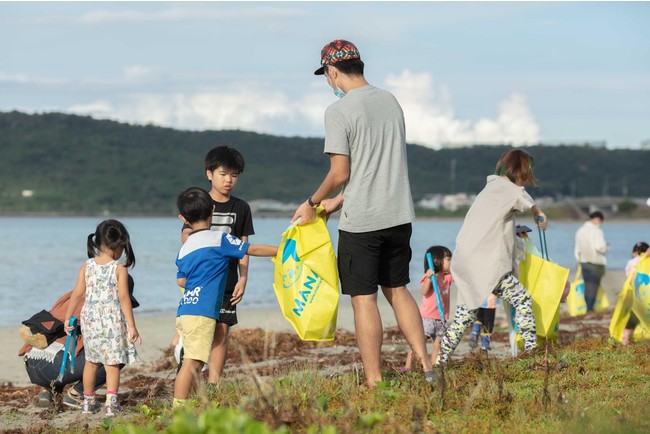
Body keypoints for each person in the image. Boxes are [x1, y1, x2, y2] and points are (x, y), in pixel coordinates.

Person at [290, 39, 433, 386]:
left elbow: (341, 173)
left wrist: (311, 203)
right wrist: (339, 201)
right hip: (399, 214)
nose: (328, 82)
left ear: (333, 71)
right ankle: (429, 368)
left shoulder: (338, 111)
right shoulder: (390, 101)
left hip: (363, 224)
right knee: (398, 289)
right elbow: (376, 165)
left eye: (326, 75)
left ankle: (374, 381)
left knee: (363, 299)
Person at [437, 149, 547, 366]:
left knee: (463, 317)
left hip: (464, 260)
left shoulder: (489, 189)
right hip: (485, 264)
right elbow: (526, 200)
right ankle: (532, 355)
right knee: (522, 299)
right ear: (521, 170)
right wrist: (538, 214)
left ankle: (439, 363)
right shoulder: (510, 189)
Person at [173, 187, 277, 407]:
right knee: (193, 363)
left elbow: (181, 281)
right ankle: (179, 408)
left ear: (183, 218)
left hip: (185, 310)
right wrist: (283, 250)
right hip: (202, 312)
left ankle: (187, 402)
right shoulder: (219, 239)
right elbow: (253, 249)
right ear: (212, 209)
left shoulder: (185, 247)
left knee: (191, 360)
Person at [178, 145, 255, 384]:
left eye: (234, 175)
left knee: (222, 332)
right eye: (223, 174)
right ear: (209, 173)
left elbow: (244, 246)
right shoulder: (198, 201)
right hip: (201, 281)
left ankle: (213, 383)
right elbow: (186, 238)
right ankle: (187, 371)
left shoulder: (241, 208)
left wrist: (243, 278)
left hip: (228, 281)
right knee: (200, 330)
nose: (228, 180)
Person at [19, 278, 139, 409]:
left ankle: (47, 390)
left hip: (31, 364)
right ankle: (76, 394)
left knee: (65, 342)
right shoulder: (102, 306)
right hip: (57, 366)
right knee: (120, 351)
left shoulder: (72, 295)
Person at [64, 219, 141, 416]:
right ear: (119, 245)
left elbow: (77, 294)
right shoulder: (119, 269)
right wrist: (132, 326)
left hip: (89, 320)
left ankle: (88, 402)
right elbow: (124, 298)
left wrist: (67, 318)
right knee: (112, 364)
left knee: (91, 362)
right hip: (111, 321)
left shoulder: (87, 265)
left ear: (98, 242)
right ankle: (111, 403)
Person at [403, 246, 453, 372]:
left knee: (439, 343)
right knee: (419, 342)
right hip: (427, 318)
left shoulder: (447, 277)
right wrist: (429, 279)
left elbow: (460, 276)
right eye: (448, 259)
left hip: (442, 318)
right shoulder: (430, 277)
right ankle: (408, 366)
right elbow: (424, 292)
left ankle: (433, 365)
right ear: (436, 261)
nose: (451, 262)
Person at [574, 210, 609, 313]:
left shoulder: (580, 231)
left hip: (584, 262)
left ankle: (588, 308)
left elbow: (577, 250)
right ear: (598, 219)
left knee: (587, 285)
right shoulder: (597, 231)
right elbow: (600, 247)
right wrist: (607, 248)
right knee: (593, 286)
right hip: (596, 263)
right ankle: (590, 309)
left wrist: (579, 260)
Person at [621, 241, 649, 345]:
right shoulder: (645, 261)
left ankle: (625, 339)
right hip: (646, 297)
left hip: (637, 297)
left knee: (634, 317)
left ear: (634, 253)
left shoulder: (632, 262)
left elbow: (628, 276)